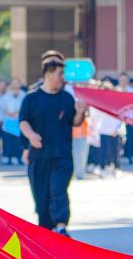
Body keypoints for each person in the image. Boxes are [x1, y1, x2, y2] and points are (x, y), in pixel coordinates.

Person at [19, 55, 88, 235]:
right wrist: (31, 136)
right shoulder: (31, 98)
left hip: (62, 155)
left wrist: (80, 112)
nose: (62, 77)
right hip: (39, 156)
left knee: (58, 191)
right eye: (60, 73)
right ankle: (46, 231)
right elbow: (23, 121)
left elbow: (75, 122)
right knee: (41, 196)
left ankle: (61, 226)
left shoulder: (66, 98)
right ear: (48, 74)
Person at [1, 78, 26, 165]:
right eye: (13, 83)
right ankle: (8, 157)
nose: (15, 85)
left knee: (18, 140)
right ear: (10, 85)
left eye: (17, 83)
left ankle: (17, 157)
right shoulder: (6, 95)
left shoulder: (23, 95)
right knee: (8, 140)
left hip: (19, 121)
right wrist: (10, 113)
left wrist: (17, 113)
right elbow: (2, 107)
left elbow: (25, 106)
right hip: (8, 120)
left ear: (20, 85)